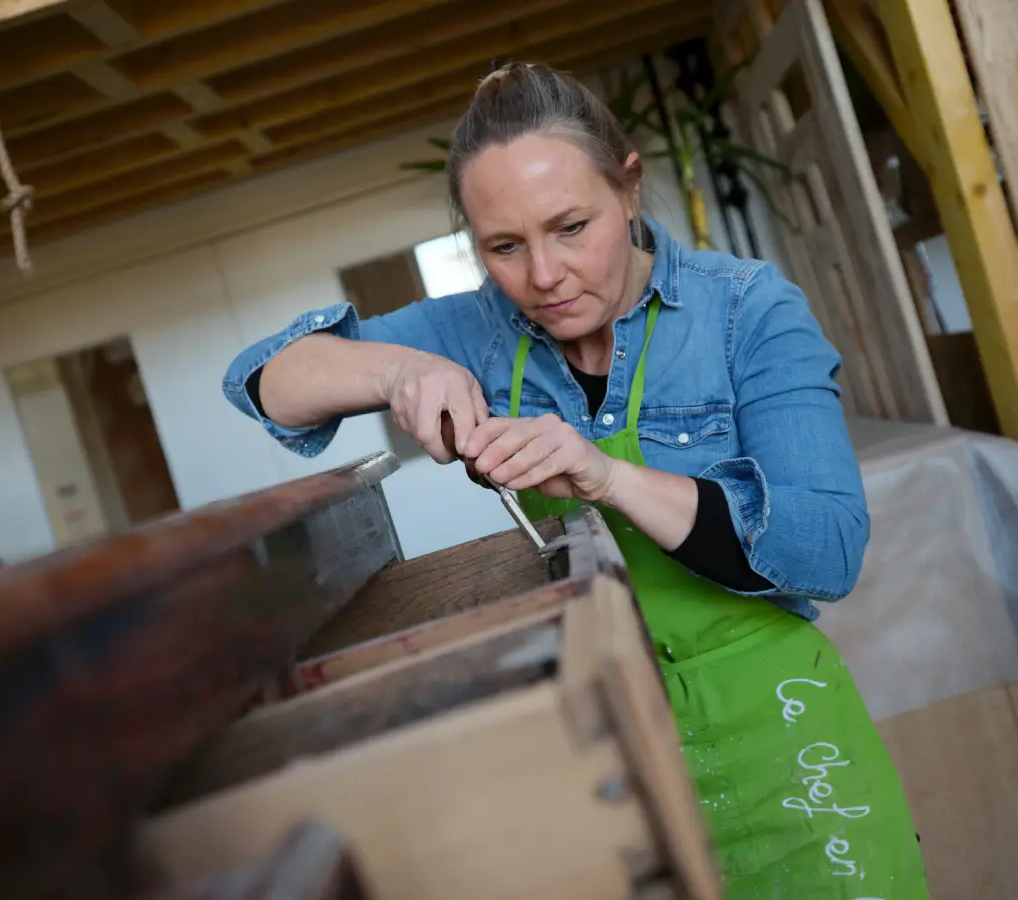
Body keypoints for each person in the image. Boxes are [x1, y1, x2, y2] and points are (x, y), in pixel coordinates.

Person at [224, 62, 928, 897]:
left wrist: (611, 476)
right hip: (603, 737)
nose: (545, 276)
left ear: (629, 190)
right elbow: (262, 379)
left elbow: (827, 547)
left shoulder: (744, 310)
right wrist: (398, 370)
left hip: (781, 728)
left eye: (570, 227)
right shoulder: (479, 329)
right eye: (503, 247)